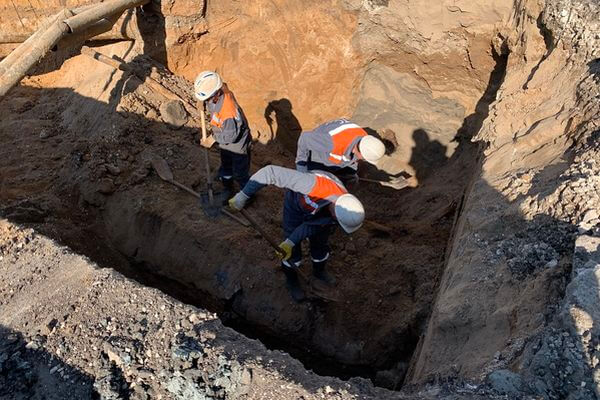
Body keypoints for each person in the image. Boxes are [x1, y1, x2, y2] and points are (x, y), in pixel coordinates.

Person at [228, 165, 365, 302]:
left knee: (320, 243)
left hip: (318, 211)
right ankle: (292, 281)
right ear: (335, 212)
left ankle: (319, 272)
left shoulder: (343, 209)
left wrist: (290, 241)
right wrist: (243, 195)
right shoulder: (313, 185)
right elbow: (270, 172)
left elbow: (312, 226)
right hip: (295, 206)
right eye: (337, 221)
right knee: (292, 252)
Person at [194, 71, 252, 193]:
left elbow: (231, 136)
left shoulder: (227, 110)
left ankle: (247, 194)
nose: (207, 100)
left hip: (237, 145)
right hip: (224, 139)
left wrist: (213, 139)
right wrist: (202, 101)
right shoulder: (219, 90)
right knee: (226, 165)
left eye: (207, 98)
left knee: (240, 172)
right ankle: (227, 185)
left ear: (216, 93)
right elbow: (220, 85)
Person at [295, 118, 386, 183]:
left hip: (336, 149)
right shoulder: (332, 143)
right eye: (364, 158)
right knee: (317, 183)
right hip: (318, 154)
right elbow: (304, 138)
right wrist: (301, 167)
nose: (364, 160)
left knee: (350, 176)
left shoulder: (365, 139)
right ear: (360, 152)